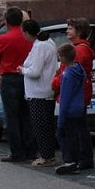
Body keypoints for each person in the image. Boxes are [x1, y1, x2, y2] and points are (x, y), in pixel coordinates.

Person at [0, 7, 36, 163]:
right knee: (27, 116)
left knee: (12, 117)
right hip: (27, 78)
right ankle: (30, 150)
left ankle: (17, 152)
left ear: (7, 21)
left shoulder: (4, 38)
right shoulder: (28, 38)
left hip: (10, 78)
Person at [53, 18, 95, 169]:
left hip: (77, 96)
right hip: (79, 94)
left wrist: (55, 82)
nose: (67, 31)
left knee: (77, 129)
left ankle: (79, 158)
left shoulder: (79, 50)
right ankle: (83, 158)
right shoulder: (77, 48)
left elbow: (66, 73)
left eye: (70, 28)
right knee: (80, 127)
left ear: (79, 31)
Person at [18, 20, 59, 167]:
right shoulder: (48, 42)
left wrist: (22, 70)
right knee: (46, 125)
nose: (22, 35)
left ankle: (46, 156)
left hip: (39, 92)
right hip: (45, 90)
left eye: (23, 32)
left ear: (28, 33)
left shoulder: (40, 46)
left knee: (40, 126)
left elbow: (35, 72)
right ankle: (49, 154)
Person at [54, 44, 89, 175]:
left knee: (64, 135)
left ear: (63, 58)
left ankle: (69, 160)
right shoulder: (78, 70)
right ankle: (75, 160)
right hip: (79, 107)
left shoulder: (67, 75)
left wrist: (60, 119)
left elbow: (65, 98)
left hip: (69, 110)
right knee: (75, 135)